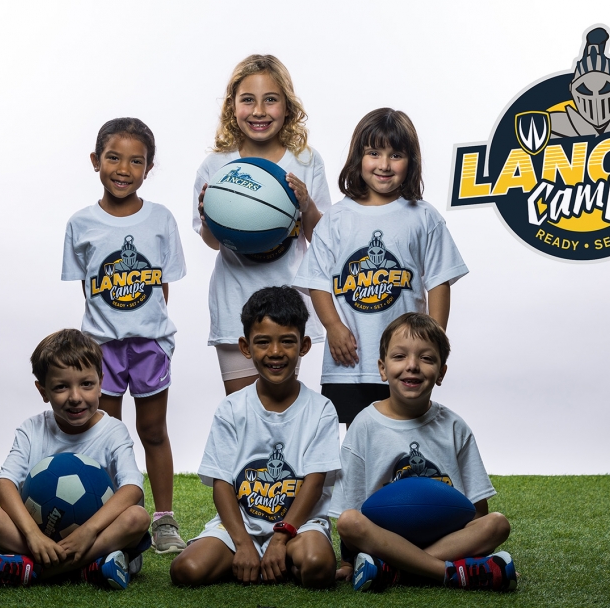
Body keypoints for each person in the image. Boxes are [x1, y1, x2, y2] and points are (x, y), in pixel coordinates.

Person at [294, 108, 468, 426]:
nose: (384, 165)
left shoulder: (423, 217)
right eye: (374, 153)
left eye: (396, 155)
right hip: (348, 363)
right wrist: (333, 326)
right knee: (349, 445)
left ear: (410, 162)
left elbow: (439, 282)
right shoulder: (335, 219)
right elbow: (317, 281)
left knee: (403, 435)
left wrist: (436, 341)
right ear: (358, 157)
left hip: (406, 361)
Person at [61, 118, 188, 553]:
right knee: (108, 435)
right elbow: (88, 286)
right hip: (101, 349)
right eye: (114, 157)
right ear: (96, 161)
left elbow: (162, 286)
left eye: (136, 161)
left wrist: (151, 333)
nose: (123, 168)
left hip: (149, 345)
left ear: (149, 169)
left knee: (153, 431)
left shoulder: (160, 219)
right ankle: (111, 521)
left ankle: (163, 518)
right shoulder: (81, 223)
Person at [331, 313, 517, 592]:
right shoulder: (365, 425)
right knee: (348, 522)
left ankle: (394, 571)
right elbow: (351, 505)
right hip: (384, 537)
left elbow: (478, 511)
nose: (412, 366)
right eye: (399, 357)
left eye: (427, 359)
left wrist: (473, 538)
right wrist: (346, 562)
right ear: (382, 368)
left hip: (443, 538)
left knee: (498, 524)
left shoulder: (455, 427)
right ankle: (449, 572)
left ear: (441, 372)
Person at [169, 287, 340, 588]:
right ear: (246, 348)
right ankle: (254, 559)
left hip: (299, 526)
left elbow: (314, 483)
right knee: (187, 570)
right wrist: (243, 543)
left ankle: (278, 558)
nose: (275, 352)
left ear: (304, 345)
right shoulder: (232, 408)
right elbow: (222, 482)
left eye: (287, 341)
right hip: (242, 524)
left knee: (317, 566)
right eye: (263, 342)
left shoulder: (321, 409)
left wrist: (281, 537)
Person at [193, 54, 333, 396]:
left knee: (279, 403)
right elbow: (212, 241)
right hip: (234, 300)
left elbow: (321, 237)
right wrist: (210, 219)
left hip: (288, 301)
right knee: (242, 409)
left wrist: (306, 204)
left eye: (271, 100)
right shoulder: (216, 166)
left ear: (287, 106)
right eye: (248, 100)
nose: (259, 111)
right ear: (232, 107)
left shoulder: (306, 160)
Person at [0, 329, 151, 591]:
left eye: (86, 384)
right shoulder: (32, 429)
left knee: (137, 517)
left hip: (98, 537)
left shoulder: (113, 431)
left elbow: (132, 488)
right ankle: (90, 569)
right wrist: (33, 536)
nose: (75, 397)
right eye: (61, 387)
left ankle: (31, 571)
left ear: (101, 382)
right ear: (42, 390)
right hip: (42, 539)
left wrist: (87, 531)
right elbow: (4, 484)